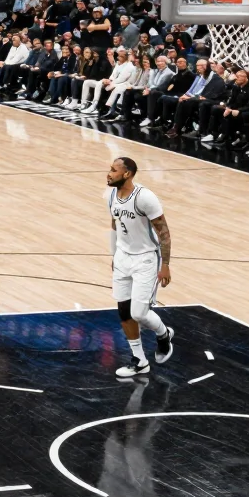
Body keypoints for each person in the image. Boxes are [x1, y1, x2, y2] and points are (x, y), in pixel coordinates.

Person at [104, 156, 175, 379]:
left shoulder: (145, 198)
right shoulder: (110, 195)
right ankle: (140, 361)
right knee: (124, 312)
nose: (109, 173)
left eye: (114, 170)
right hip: (124, 258)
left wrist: (166, 265)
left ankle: (164, 335)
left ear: (127, 174)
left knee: (139, 313)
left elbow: (164, 232)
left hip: (145, 259)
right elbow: (114, 223)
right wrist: (114, 254)